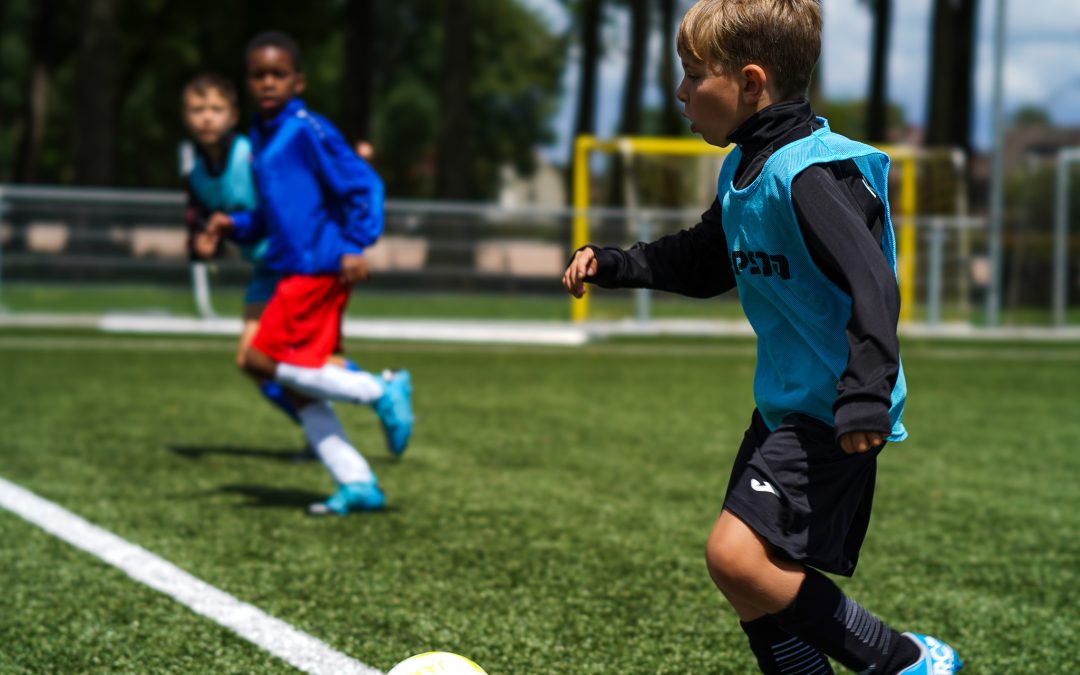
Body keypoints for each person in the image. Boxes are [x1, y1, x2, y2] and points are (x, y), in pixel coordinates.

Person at [562, 1, 961, 673]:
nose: (681, 92)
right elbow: (703, 261)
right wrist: (615, 262)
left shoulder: (808, 174)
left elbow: (874, 282)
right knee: (749, 581)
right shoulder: (745, 167)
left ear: (750, 83)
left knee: (735, 557)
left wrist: (865, 393)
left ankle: (905, 660)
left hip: (834, 408)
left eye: (694, 75)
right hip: (786, 404)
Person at [204, 31, 413, 516]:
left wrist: (356, 244)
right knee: (298, 388)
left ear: (298, 82)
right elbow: (274, 214)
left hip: (318, 266)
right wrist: (235, 225)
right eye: (258, 75)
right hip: (291, 266)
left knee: (258, 361)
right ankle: (357, 482)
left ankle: (379, 389)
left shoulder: (306, 128)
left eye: (278, 74)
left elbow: (363, 183)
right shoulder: (261, 135)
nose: (267, 83)